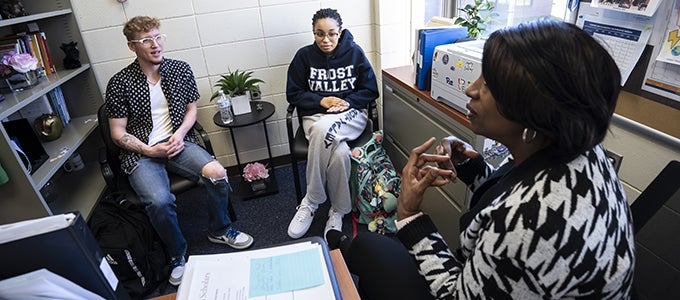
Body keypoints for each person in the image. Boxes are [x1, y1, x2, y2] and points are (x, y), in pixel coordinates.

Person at [326, 18, 635, 299]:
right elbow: (514, 188)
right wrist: (471, 167)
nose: (471, 89)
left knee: (369, 248)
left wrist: (409, 214)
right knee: (371, 252)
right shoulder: (582, 150)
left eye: (488, 86)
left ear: (532, 113)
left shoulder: (528, 223)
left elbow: (455, 295)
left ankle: (343, 253)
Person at [104, 16, 254, 286]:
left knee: (217, 173)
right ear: (131, 46)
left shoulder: (180, 69)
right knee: (160, 201)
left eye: (158, 37)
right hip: (142, 153)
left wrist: (180, 134)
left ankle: (220, 229)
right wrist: (149, 150)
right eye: (146, 40)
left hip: (178, 144)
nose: (155, 44)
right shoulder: (119, 83)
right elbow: (117, 132)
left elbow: (191, 109)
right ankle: (177, 253)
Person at [286, 8, 379, 239]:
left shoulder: (355, 53)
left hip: (351, 115)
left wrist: (347, 103)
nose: (325, 40)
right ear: (313, 33)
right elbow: (293, 93)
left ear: (340, 32)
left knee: (321, 130)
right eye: (319, 34)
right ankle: (338, 210)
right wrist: (321, 100)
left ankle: (311, 200)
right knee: (339, 155)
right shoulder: (303, 56)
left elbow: (371, 90)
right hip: (315, 116)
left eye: (331, 34)